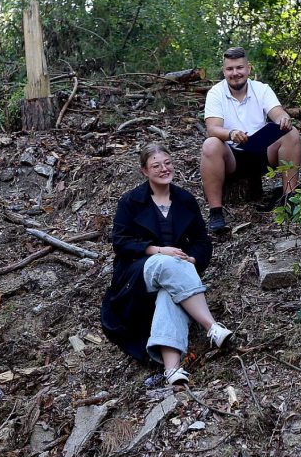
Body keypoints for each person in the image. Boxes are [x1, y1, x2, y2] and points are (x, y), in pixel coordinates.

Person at [100, 143, 233, 386]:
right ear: (144, 171)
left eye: (168, 163)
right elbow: (121, 242)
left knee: (168, 295)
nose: (164, 169)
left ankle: (172, 370)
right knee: (166, 263)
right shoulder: (130, 202)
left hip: (176, 274)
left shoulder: (185, 200)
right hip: (137, 275)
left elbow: (202, 241)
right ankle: (211, 326)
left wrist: (191, 260)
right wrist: (159, 250)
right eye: (156, 166)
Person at [201, 47, 301, 232]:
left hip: (262, 151)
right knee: (210, 144)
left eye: (239, 67)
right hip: (232, 156)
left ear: (248, 68)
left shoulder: (261, 89)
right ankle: (215, 213)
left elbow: (278, 113)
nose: (235, 73)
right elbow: (212, 128)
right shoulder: (216, 93)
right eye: (230, 69)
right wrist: (231, 133)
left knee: (291, 132)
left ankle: (290, 200)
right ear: (224, 71)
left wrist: (284, 119)